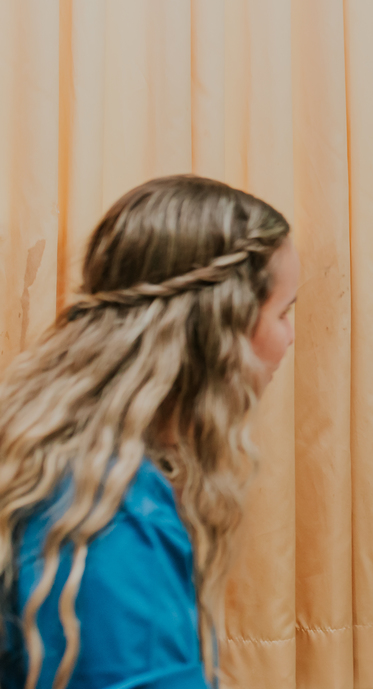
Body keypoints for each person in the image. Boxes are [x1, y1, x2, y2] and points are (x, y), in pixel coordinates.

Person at [0, 176, 299, 689]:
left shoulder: (56, 453)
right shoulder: (112, 515)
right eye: (283, 311)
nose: (290, 337)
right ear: (220, 329)